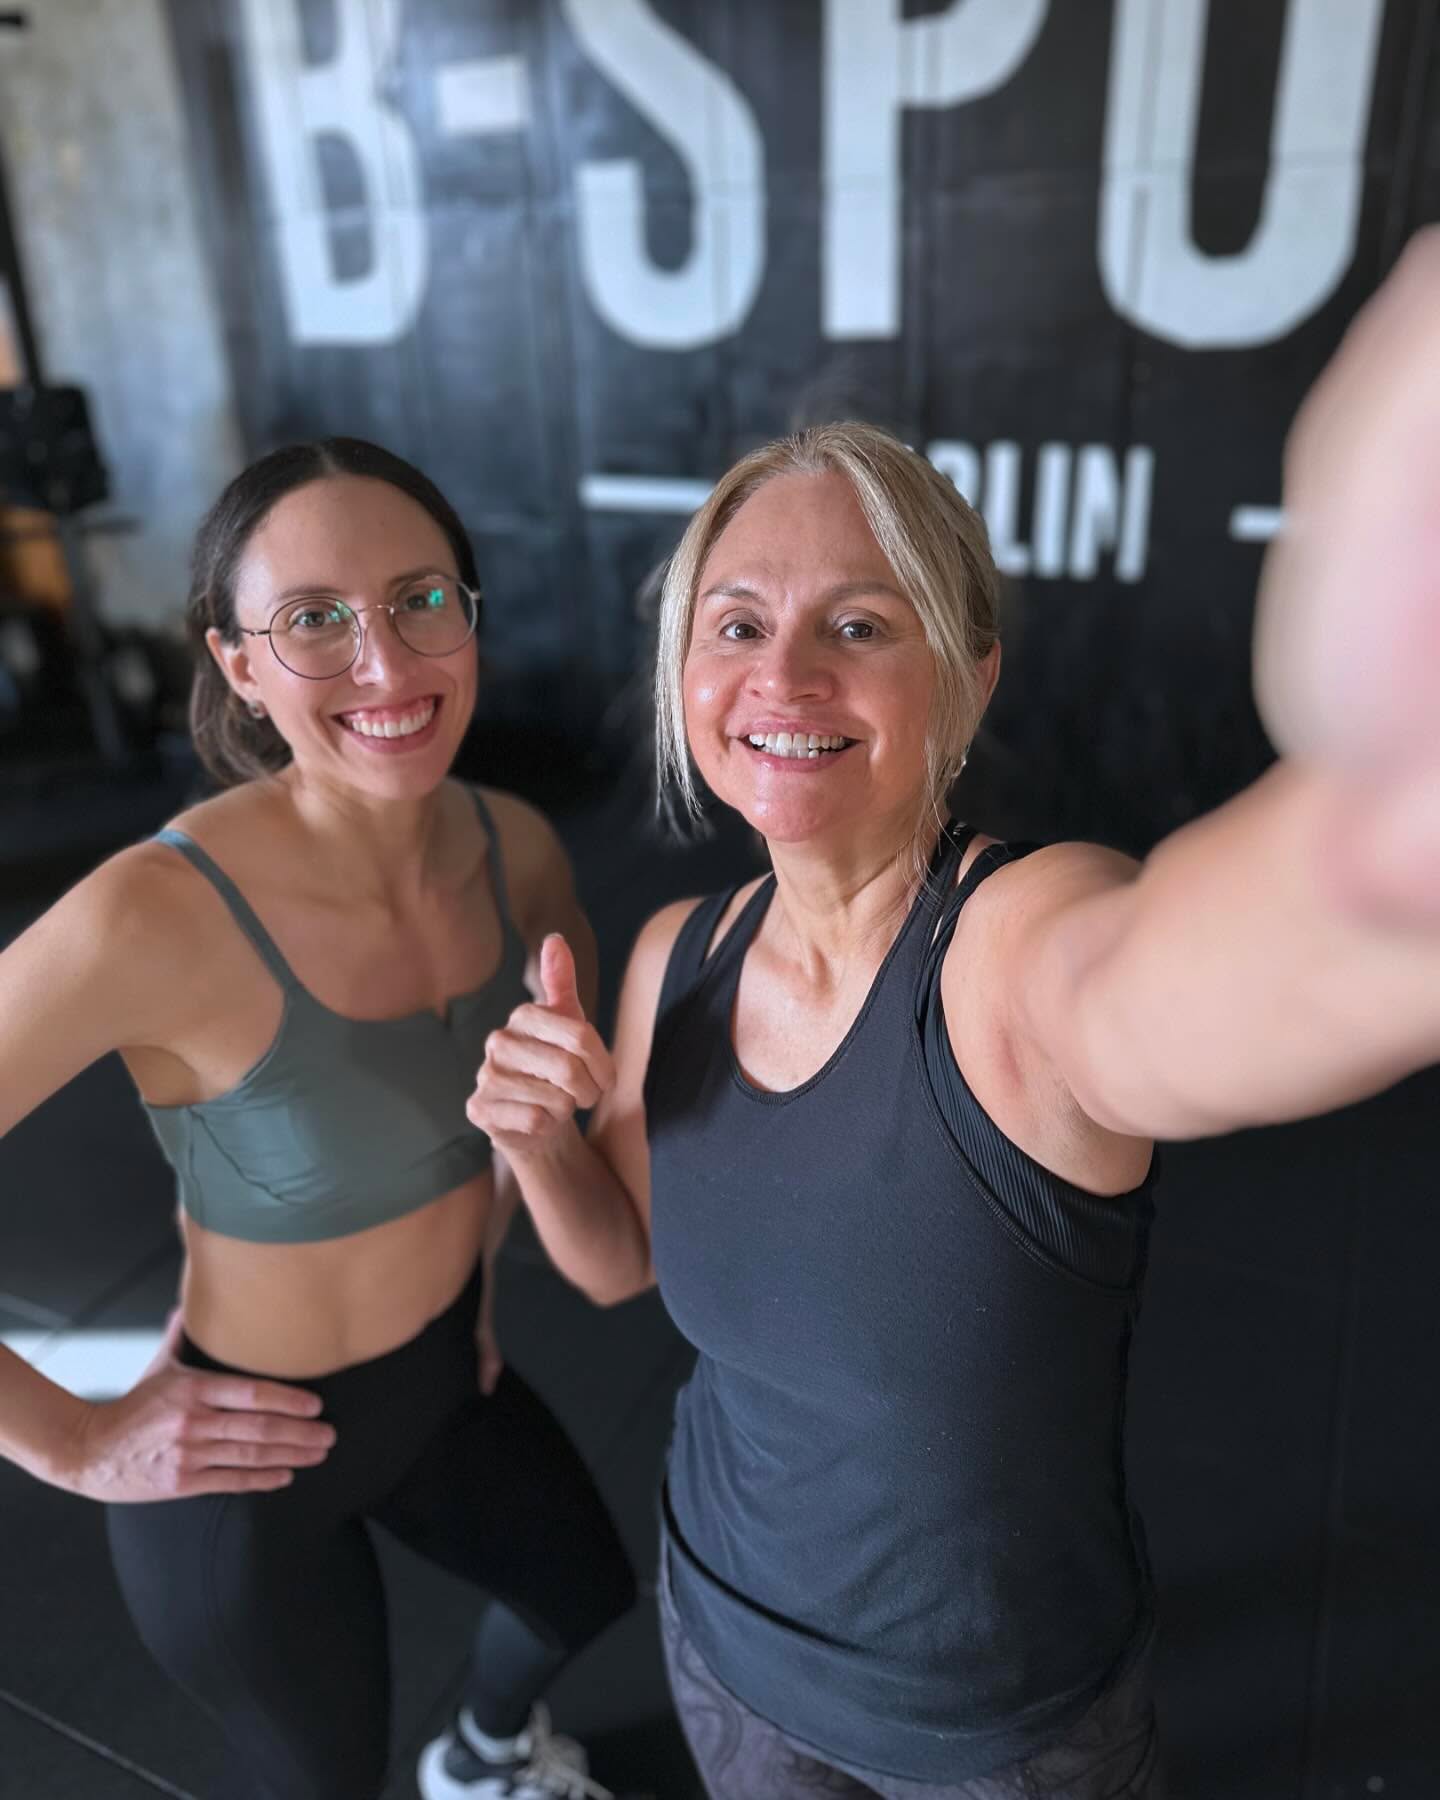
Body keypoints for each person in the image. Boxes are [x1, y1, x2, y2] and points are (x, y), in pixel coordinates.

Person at [467, 231, 1440, 1800]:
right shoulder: (674, 958)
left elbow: (1184, 976)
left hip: (1000, 1733)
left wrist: (1383, 862)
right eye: (736, 622)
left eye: (859, 624)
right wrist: (539, 1147)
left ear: (968, 682)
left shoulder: (1015, 952)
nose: (783, 670)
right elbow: (622, 1263)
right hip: (723, 1642)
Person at [0, 438, 635, 1800]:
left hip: (445, 1377)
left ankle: (482, 1760)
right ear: (237, 663)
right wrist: (70, 1436)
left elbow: (539, 1123)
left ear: (470, 615)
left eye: (422, 600)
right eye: (313, 622)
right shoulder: (150, 914)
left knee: (586, 1593)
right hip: (240, 1461)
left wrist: (480, 1276)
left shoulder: (517, 846)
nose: (389, 664)